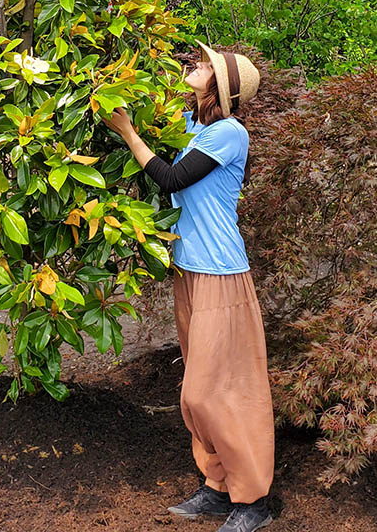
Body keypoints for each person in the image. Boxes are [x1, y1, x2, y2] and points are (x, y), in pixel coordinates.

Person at [103, 41, 275, 532]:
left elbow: (171, 177)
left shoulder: (229, 133)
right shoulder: (194, 125)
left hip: (222, 273)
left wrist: (129, 132)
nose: (193, 68)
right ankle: (218, 488)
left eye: (203, 66)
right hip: (190, 270)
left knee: (216, 390)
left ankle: (253, 501)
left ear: (221, 86)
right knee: (195, 390)